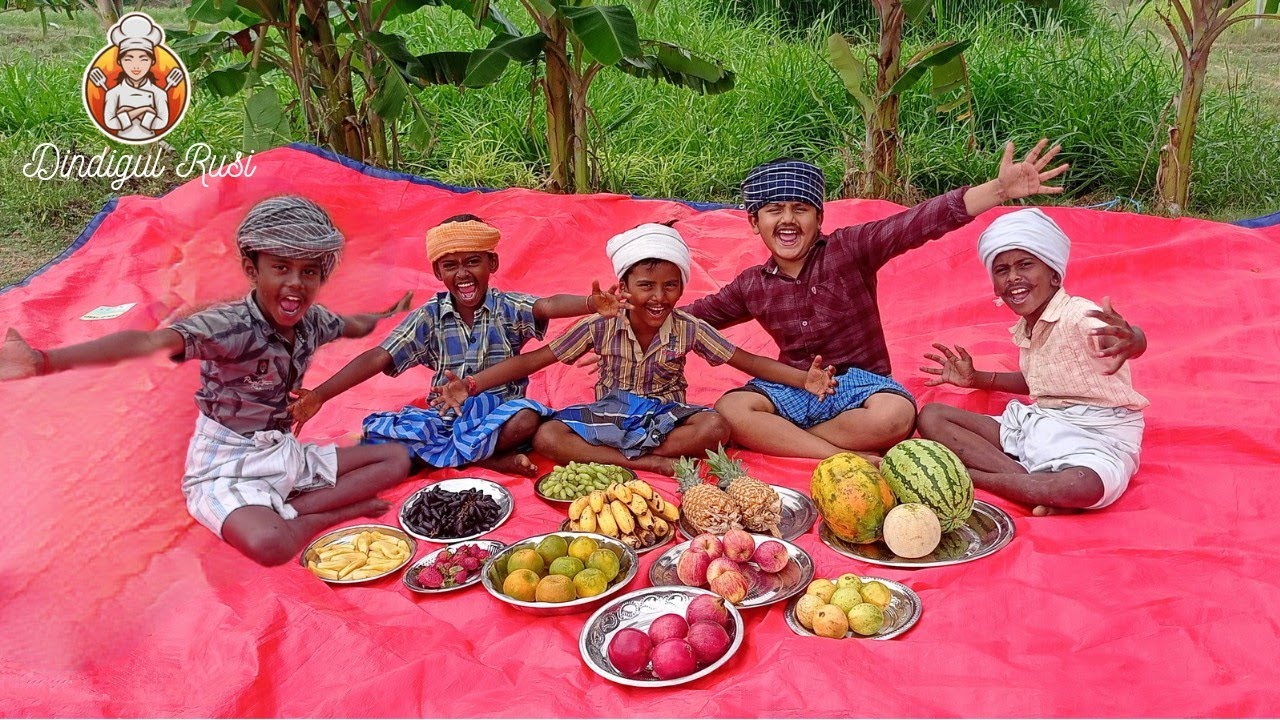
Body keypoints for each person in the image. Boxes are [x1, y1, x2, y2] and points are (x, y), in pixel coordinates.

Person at [0, 196, 412, 565]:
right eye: (280, 268)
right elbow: (148, 342)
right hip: (227, 465)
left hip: (283, 453)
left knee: (395, 459)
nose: (295, 284)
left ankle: (290, 507)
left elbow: (349, 324)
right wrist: (44, 360)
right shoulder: (226, 326)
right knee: (271, 545)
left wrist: (385, 315)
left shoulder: (312, 321)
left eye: (309, 272)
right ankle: (329, 513)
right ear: (252, 269)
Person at [682, 140, 1074, 462]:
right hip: (794, 385)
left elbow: (918, 222)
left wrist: (999, 190)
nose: (788, 220)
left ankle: (789, 441)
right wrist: (628, 313)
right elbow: (688, 320)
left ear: (819, 218)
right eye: (773, 211)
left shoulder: (850, 249)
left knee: (897, 416)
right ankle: (842, 455)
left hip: (862, 387)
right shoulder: (752, 285)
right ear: (754, 222)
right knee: (732, 409)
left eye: (800, 209)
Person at [434, 224, 837, 476]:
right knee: (547, 436)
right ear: (624, 288)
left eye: (671, 286)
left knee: (716, 428)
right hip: (611, 414)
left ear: (681, 287)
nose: (659, 297)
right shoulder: (599, 326)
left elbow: (745, 360)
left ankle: (615, 457)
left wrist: (804, 379)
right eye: (646, 286)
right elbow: (533, 360)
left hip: (666, 415)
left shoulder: (688, 327)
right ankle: (640, 463)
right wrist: (470, 385)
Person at [287, 214, 628, 477]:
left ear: (491, 264)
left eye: (473, 262)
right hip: (446, 413)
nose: (462, 273)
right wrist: (320, 395)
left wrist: (589, 304)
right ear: (437, 272)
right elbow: (379, 355)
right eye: (450, 265)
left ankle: (449, 457)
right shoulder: (429, 317)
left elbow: (546, 305)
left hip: (500, 416)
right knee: (378, 436)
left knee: (526, 419)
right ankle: (489, 461)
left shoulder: (508, 307)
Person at [915, 208, 1149, 515]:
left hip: (1097, 433)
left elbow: (1120, 338)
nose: (1013, 277)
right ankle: (1032, 487)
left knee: (1082, 485)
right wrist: (975, 379)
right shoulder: (1028, 326)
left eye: (1025, 265)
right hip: (1041, 422)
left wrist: (1131, 340)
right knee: (932, 416)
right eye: (1002, 270)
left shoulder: (1079, 314)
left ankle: (976, 478)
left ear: (1054, 274)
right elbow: (1039, 379)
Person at [102, 14, 171, 141]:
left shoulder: (159, 93)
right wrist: (144, 109)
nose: (136, 66)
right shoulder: (113, 93)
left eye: (143, 60)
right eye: (128, 60)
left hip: (150, 139)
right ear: (119, 62)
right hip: (121, 142)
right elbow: (110, 123)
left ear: (152, 62)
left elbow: (162, 123)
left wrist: (127, 112)